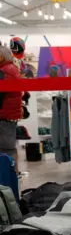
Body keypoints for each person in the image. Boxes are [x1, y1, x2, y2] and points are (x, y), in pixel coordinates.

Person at [0, 45, 23, 174]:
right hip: (10, 115)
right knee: (8, 148)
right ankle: (13, 173)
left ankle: (10, 175)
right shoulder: (12, 69)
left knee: (5, 149)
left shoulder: (4, 71)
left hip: (3, 115)